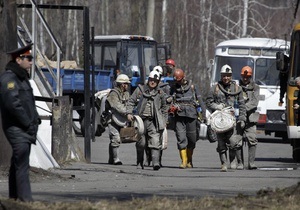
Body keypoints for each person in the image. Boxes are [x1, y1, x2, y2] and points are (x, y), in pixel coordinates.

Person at [0, 43, 40, 202]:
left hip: (24, 128)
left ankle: (14, 199)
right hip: (17, 128)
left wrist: (35, 119)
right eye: (28, 58)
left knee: (17, 163)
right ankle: (26, 201)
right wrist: (28, 123)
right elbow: (13, 105)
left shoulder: (22, 78)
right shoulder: (9, 79)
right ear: (18, 60)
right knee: (22, 165)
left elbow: (28, 101)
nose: (31, 62)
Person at [206, 64, 246, 172]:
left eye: (228, 75)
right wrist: (216, 106)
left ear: (231, 76)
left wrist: (242, 119)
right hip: (219, 120)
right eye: (224, 75)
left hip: (232, 120)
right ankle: (223, 163)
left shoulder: (237, 88)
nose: (226, 78)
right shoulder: (215, 88)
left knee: (235, 142)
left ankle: (239, 161)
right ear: (221, 76)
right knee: (221, 143)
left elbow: (242, 105)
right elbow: (208, 102)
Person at [126, 70, 168, 170]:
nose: (152, 82)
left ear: (158, 82)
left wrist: (164, 120)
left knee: (155, 141)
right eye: (151, 80)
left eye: (155, 81)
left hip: (154, 121)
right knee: (141, 143)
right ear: (148, 79)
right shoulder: (140, 89)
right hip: (140, 121)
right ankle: (139, 162)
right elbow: (131, 101)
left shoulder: (160, 93)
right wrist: (129, 113)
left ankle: (155, 163)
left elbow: (164, 107)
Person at [169, 68, 206, 169]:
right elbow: (168, 100)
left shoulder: (193, 87)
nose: (177, 82)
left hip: (191, 116)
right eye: (176, 81)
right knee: (181, 138)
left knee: (192, 139)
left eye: (179, 80)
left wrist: (204, 114)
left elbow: (201, 101)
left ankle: (189, 160)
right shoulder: (173, 88)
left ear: (183, 78)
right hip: (179, 116)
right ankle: (184, 161)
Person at [229, 66, 260, 170]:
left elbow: (254, 102)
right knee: (237, 141)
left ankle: (251, 163)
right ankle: (240, 163)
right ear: (241, 76)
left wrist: (242, 108)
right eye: (243, 76)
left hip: (251, 118)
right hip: (238, 118)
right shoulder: (236, 87)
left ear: (250, 76)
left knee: (252, 140)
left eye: (247, 77)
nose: (245, 78)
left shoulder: (255, 87)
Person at [107, 74, 131, 165]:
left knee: (115, 140)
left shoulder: (126, 94)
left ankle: (111, 158)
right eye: (126, 83)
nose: (127, 85)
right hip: (112, 119)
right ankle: (116, 159)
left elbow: (129, 104)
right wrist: (127, 112)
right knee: (115, 138)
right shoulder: (114, 93)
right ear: (122, 84)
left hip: (121, 120)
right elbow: (117, 106)